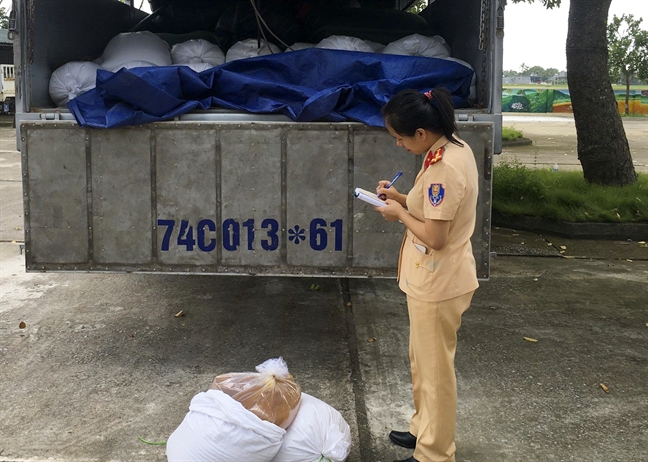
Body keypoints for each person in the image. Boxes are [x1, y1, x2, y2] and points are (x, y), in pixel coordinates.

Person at [374, 87, 479, 462]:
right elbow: (432, 208)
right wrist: (401, 198)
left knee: (436, 374)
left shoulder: (443, 169)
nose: (400, 146)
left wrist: (398, 214)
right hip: (431, 278)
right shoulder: (451, 148)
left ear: (421, 133)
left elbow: (435, 236)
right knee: (422, 361)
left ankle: (434, 454)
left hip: (439, 280)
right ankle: (423, 428)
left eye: (400, 139)